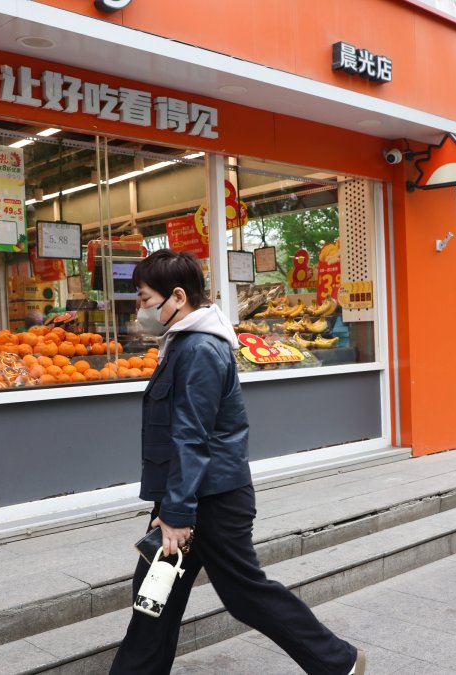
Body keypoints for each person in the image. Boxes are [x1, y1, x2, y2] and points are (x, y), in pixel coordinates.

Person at [110, 249, 365, 675]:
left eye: (143, 298)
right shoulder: (183, 343)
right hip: (190, 495)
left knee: (245, 595)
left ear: (177, 297)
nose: (140, 309)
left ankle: (338, 661)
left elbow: (192, 435)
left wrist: (175, 513)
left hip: (213, 501)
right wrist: (171, 506)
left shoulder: (199, 350)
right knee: (154, 596)